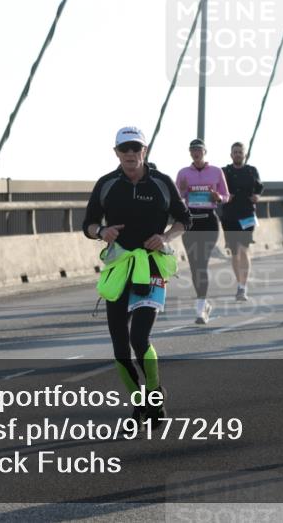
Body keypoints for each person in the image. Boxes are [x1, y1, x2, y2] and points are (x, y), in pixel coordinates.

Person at [83, 126, 191, 424]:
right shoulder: (107, 184)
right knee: (120, 348)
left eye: (135, 148)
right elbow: (88, 224)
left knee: (139, 337)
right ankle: (139, 404)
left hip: (153, 266)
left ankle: (155, 396)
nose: (130, 154)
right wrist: (102, 231)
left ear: (144, 151)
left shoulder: (161, 182)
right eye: (124, 149)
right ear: (116, 153)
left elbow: (185, 219)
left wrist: (166, 237)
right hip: (120, 268)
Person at [175, 139, 230, 324]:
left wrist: (219, 197)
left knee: (202, 263)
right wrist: (182, 191)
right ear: (190, 153)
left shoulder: (216, 171)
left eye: (199, 150)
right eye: (193, 150)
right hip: (190, 222)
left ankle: (200, 307)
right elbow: (177, 198)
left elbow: (226, 196)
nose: (196, 153)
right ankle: (203, 303)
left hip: (209, 221)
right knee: (193, 265)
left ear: (205, 152)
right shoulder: (183, 173)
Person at [221, 142, 263, 302]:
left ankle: (242, 287)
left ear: (244, 155)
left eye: (240, 152)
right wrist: (224, 196)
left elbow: (259, 187)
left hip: (247, 214)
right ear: (231, 155)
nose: (238, 154)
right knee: (234, 252)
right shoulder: (224, 171)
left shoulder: (251, 171)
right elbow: (217, 188)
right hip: (229, 215)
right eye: (235, 152)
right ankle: (239, 283)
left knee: (243, 249)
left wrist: (257, 196)